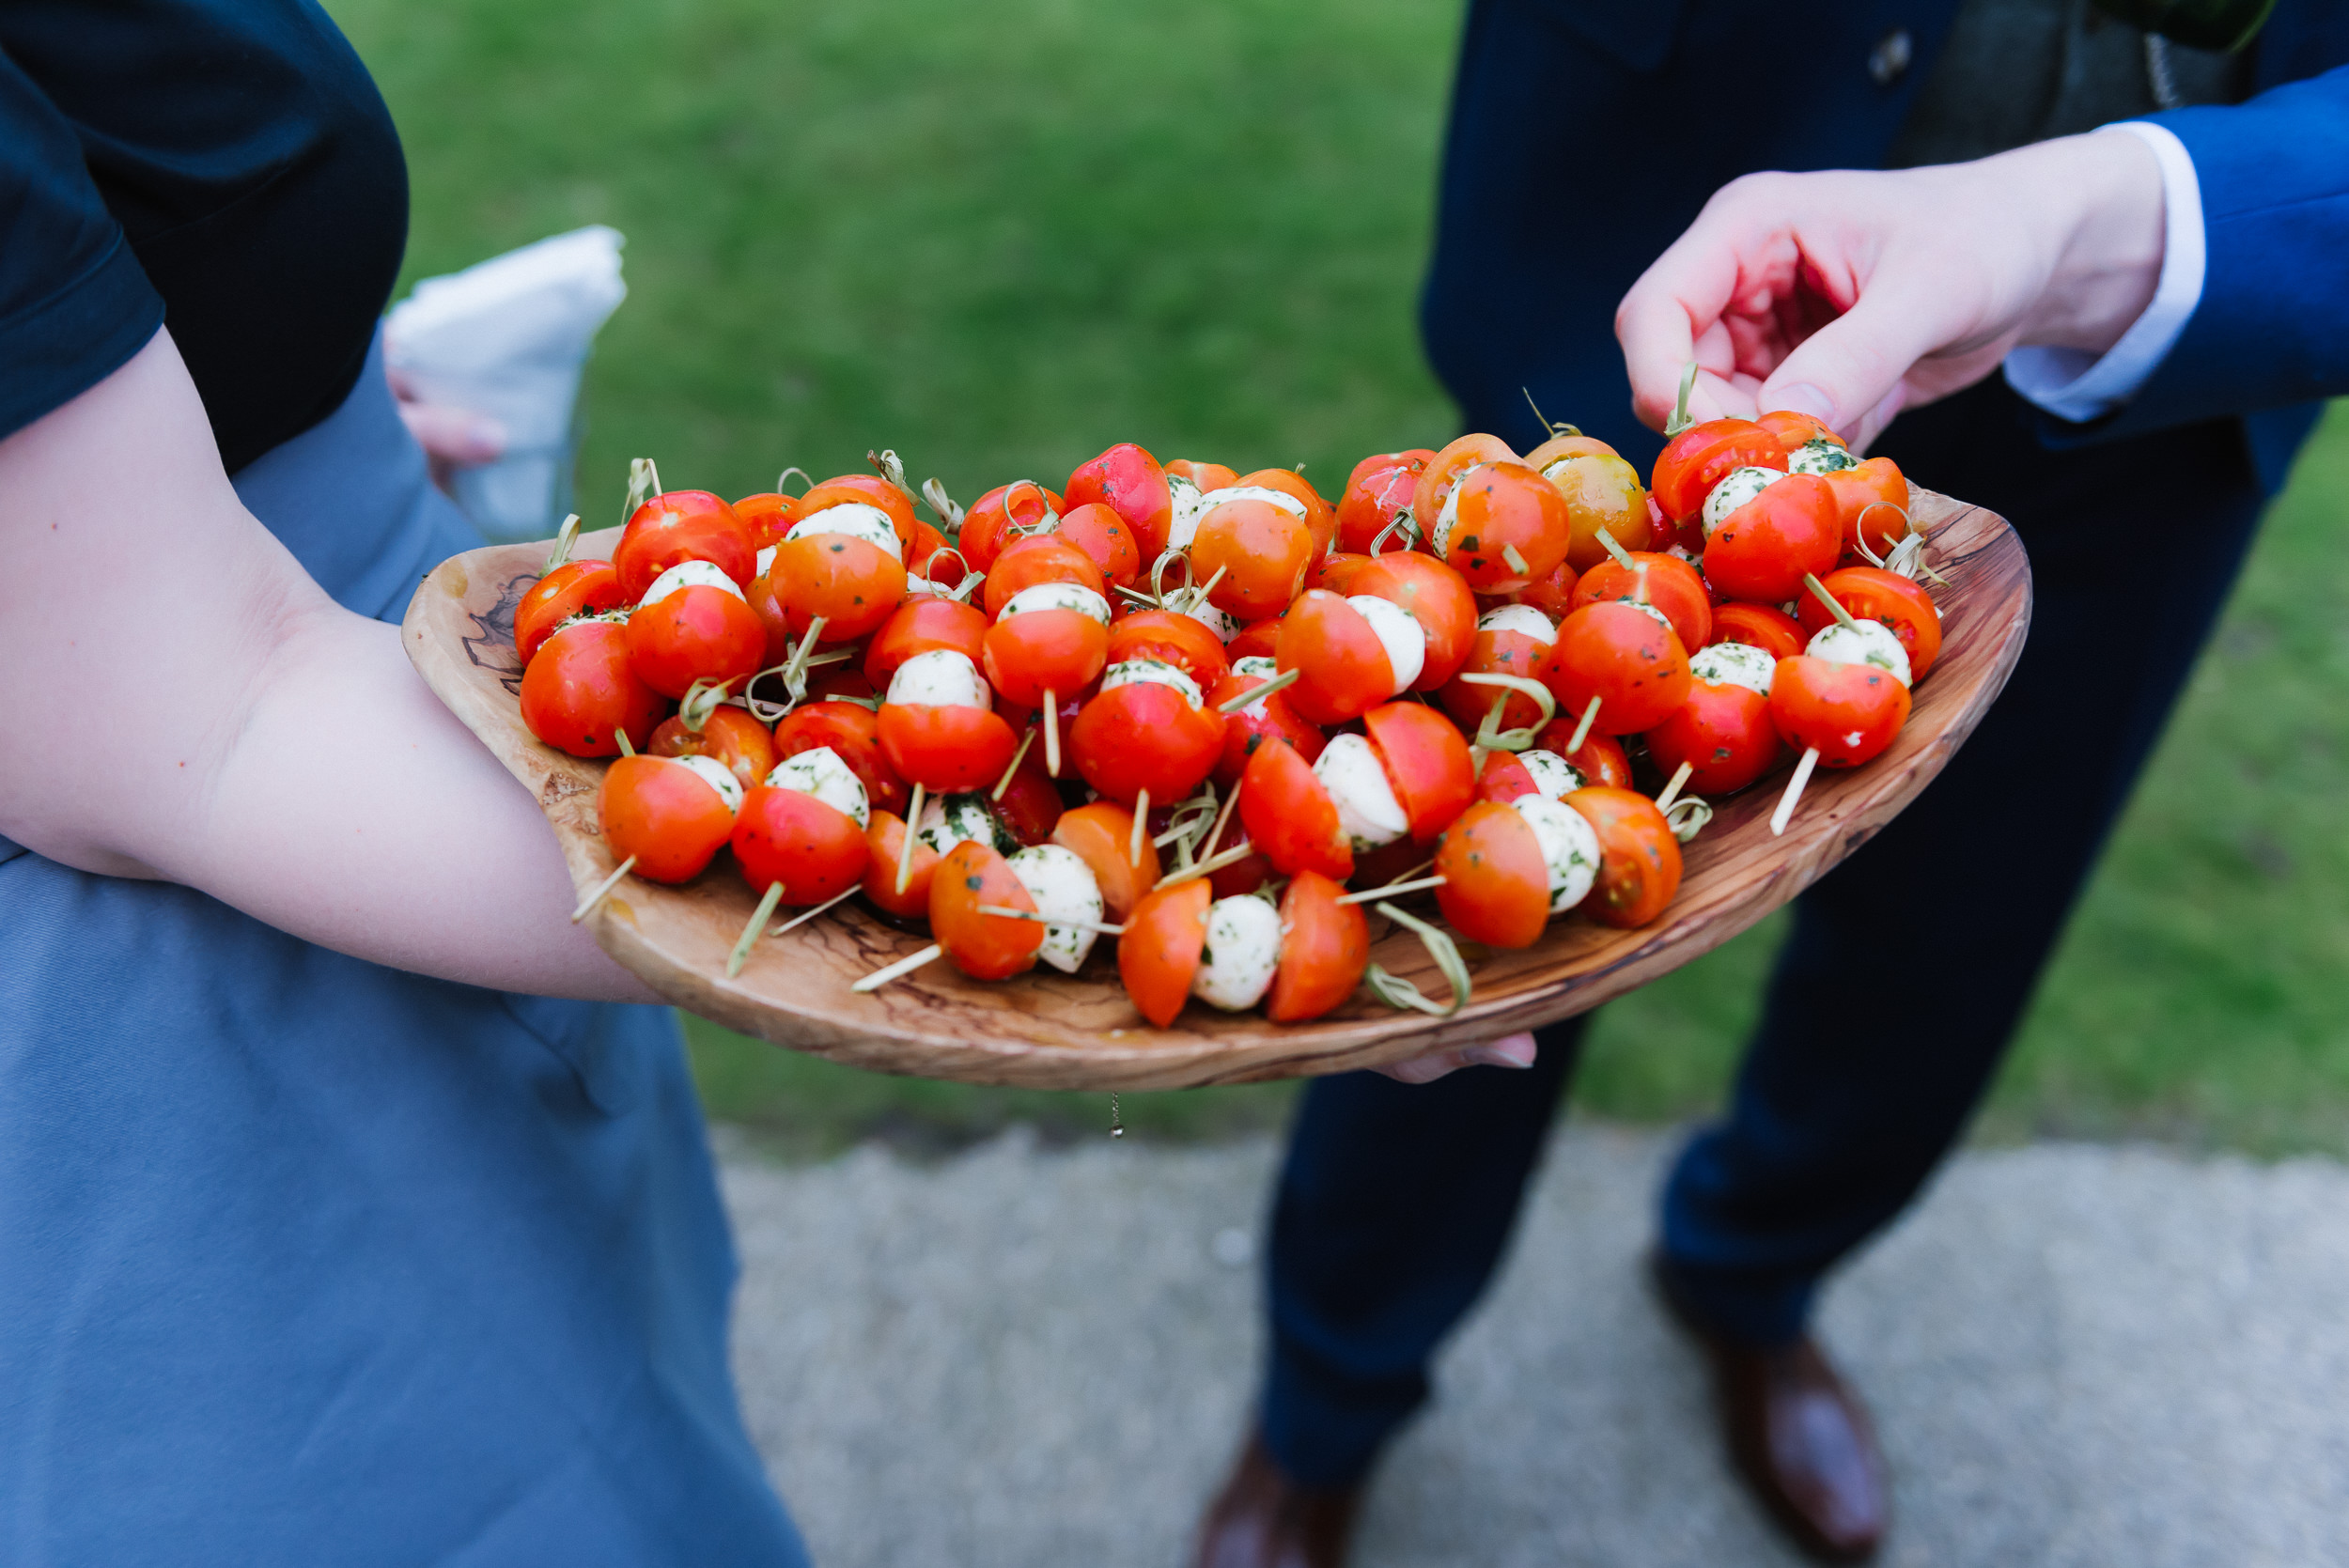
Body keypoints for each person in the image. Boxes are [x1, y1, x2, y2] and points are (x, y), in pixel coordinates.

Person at [1198, 5, 2349, 1563]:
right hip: (1685, 231)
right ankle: (1324, 1400)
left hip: (2177, 354)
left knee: (1953, 949)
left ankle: (1753, 1272)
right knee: (1445, 911)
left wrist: (2115, 218)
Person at [0, 4, 809, 1560]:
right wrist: (1057, 910)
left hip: (342, 742)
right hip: (203, 978)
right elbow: (210, 711)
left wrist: (275, 357)